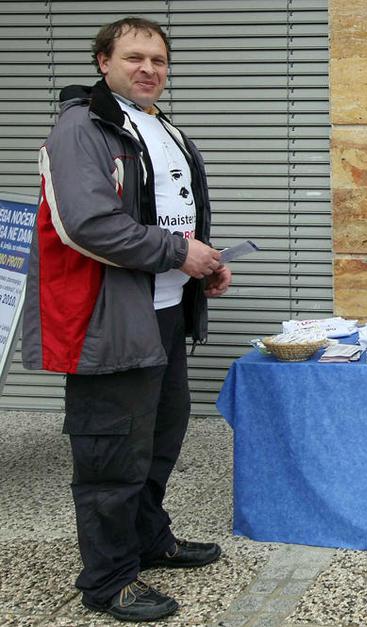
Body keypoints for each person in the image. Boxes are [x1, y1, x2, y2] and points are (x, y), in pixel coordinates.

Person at [21, 17, 231, 622]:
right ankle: (109, 580)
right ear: (103, 62)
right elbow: (88, 225)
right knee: (110, 454)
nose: (149, 69)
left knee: (160, 439)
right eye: (135, 57)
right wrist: (178, 253)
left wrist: (201, 265)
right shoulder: (81, 128)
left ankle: (148, 539)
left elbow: (167, 216)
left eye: (159, 60)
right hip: (108, 320)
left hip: (164, 311)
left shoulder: (161, 126)